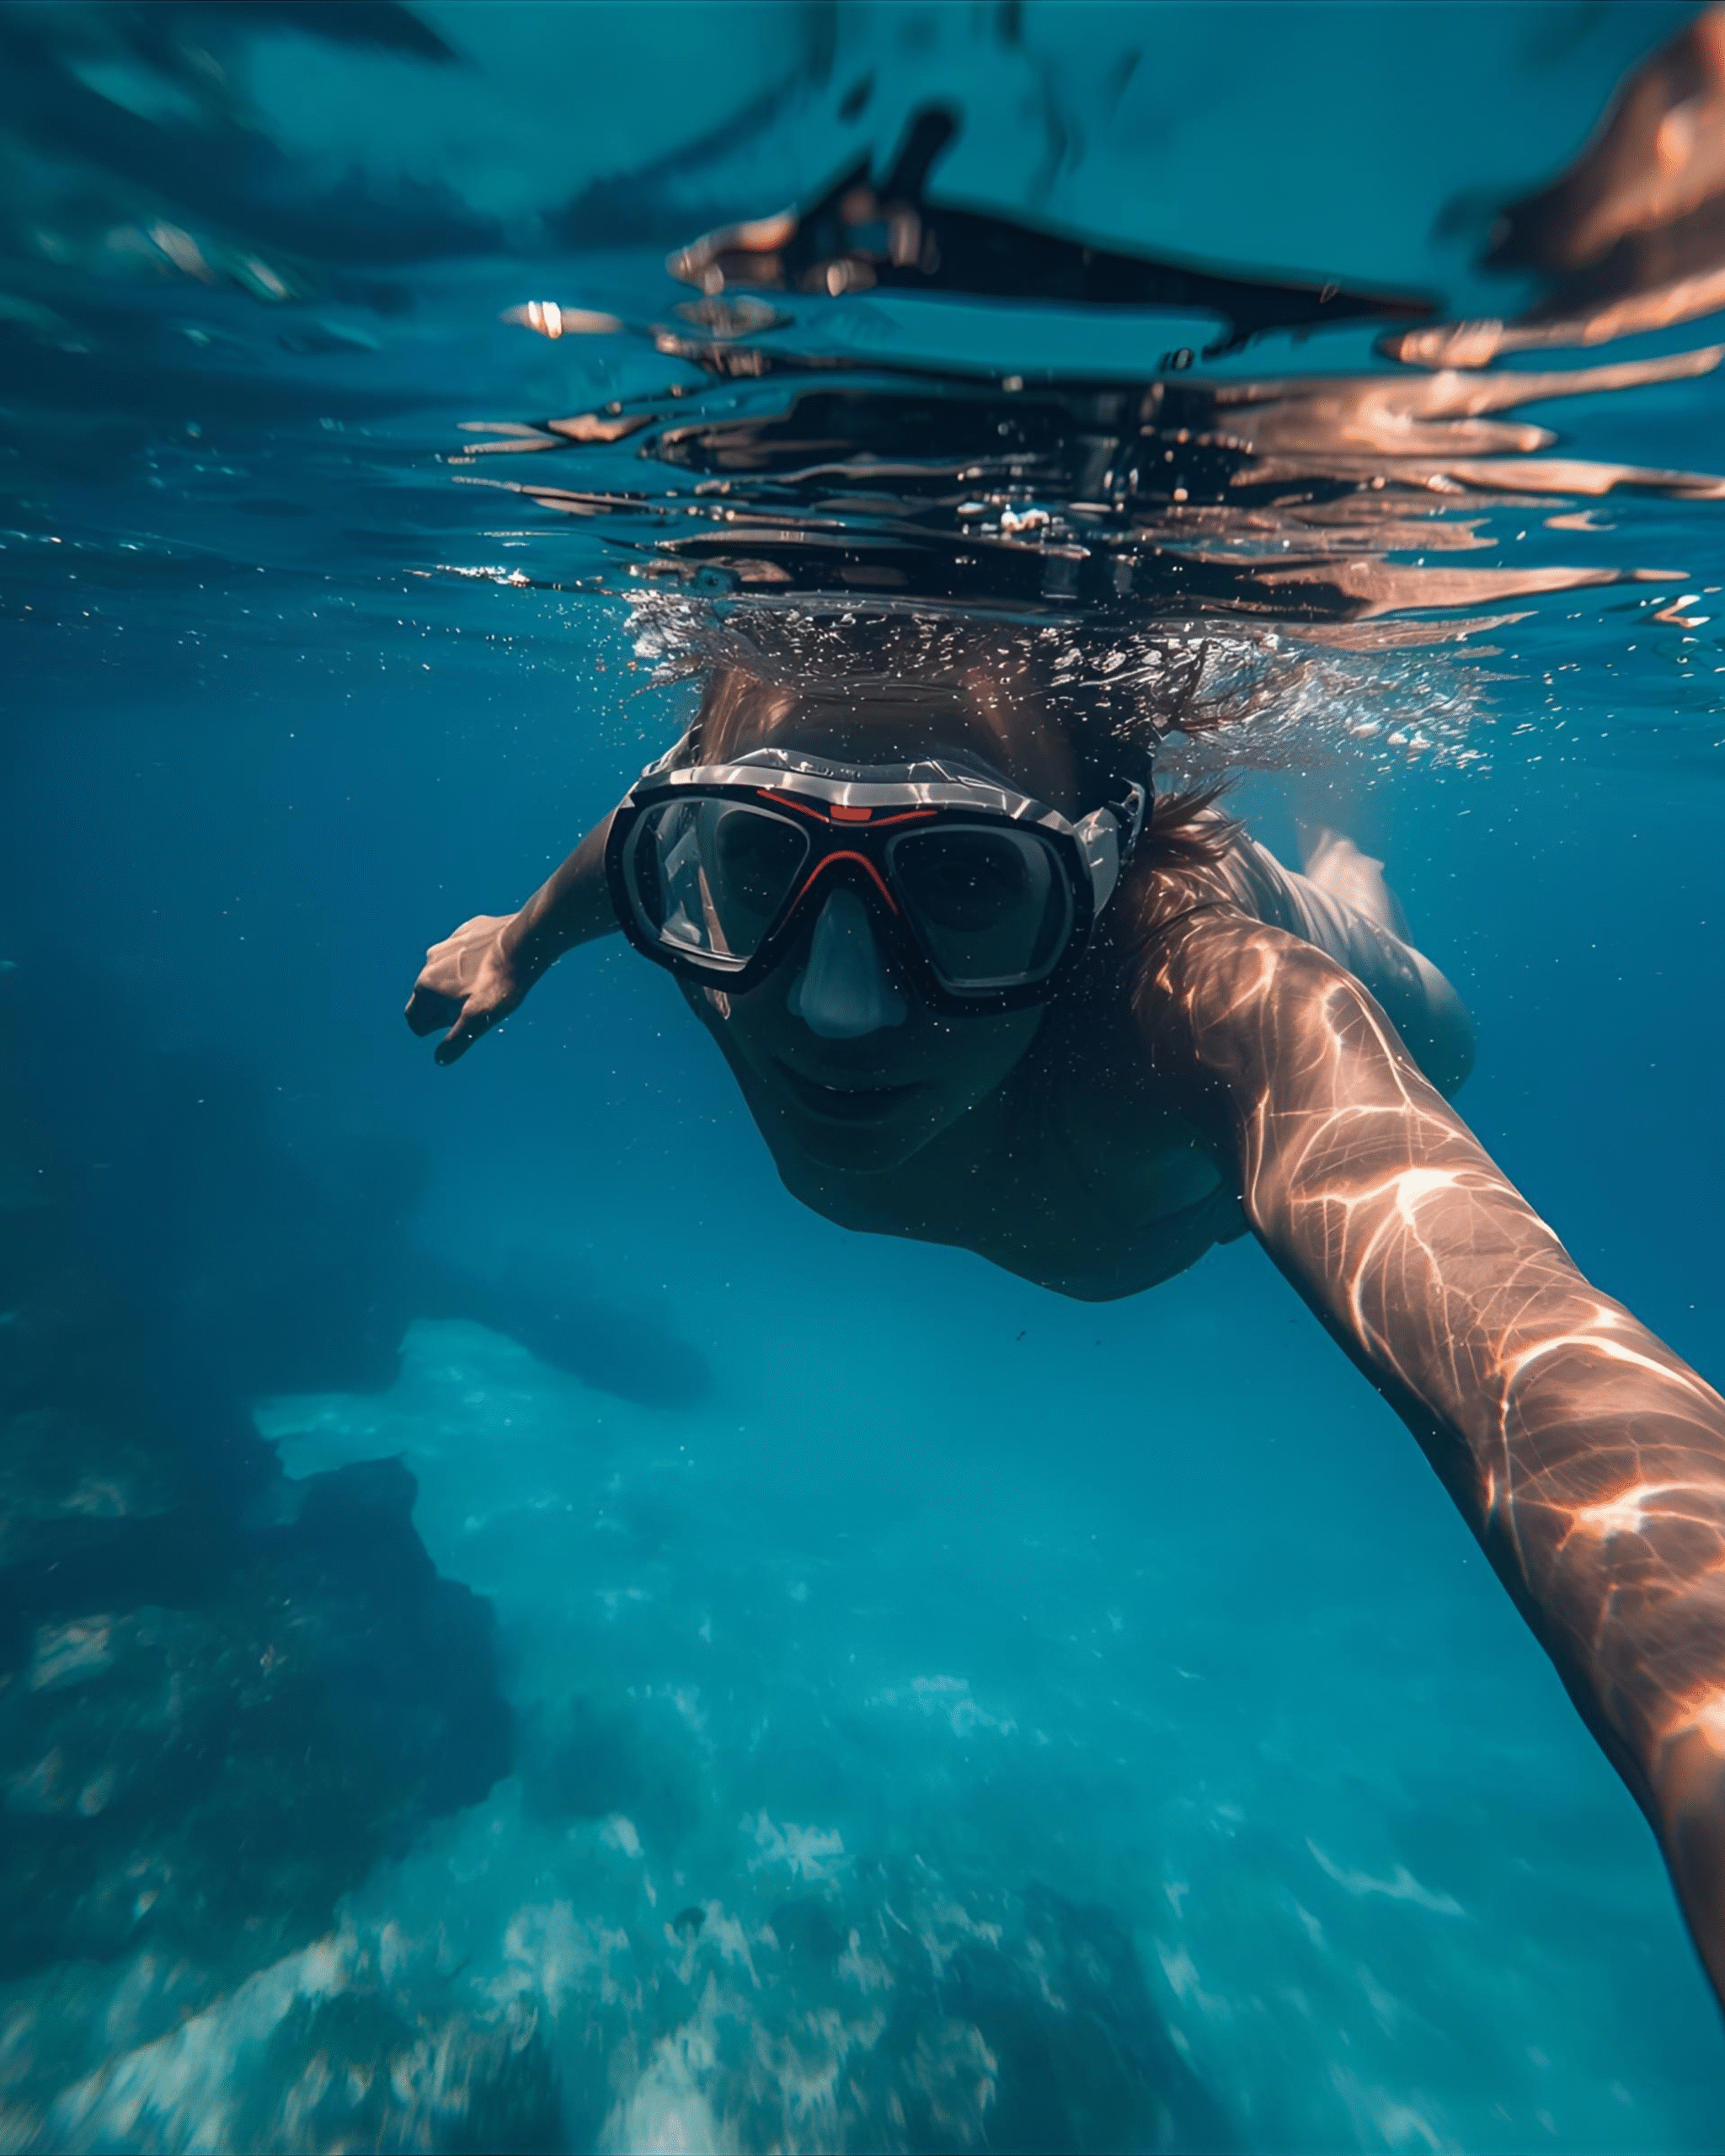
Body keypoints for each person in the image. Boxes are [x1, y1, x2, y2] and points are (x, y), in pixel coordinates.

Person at [407, 644, 1725, 2010]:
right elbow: (628, 849)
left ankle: (1351, 881)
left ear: (1096, 878)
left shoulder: (1216, 1002)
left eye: (970, 878)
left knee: (1438, 1023)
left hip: (1300, 962)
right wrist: (517, 943)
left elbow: (1525, 1340)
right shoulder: (689, 875)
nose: (832, 1006)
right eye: (752, 855)